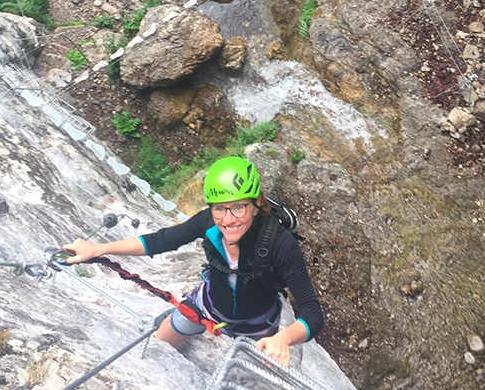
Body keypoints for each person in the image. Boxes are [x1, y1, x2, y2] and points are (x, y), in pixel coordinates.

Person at [63, 156, 323, 367]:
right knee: (157, 346)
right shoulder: (207, 222)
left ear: (256, 205)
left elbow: (312, 313)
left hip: (257, 324)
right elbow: (160, 241)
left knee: (267, 374)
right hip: (207, 305)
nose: (228, 220)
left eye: (238, 207)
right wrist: (97, 248)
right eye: (219, 208)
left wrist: (284, 338)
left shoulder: (279, 242)